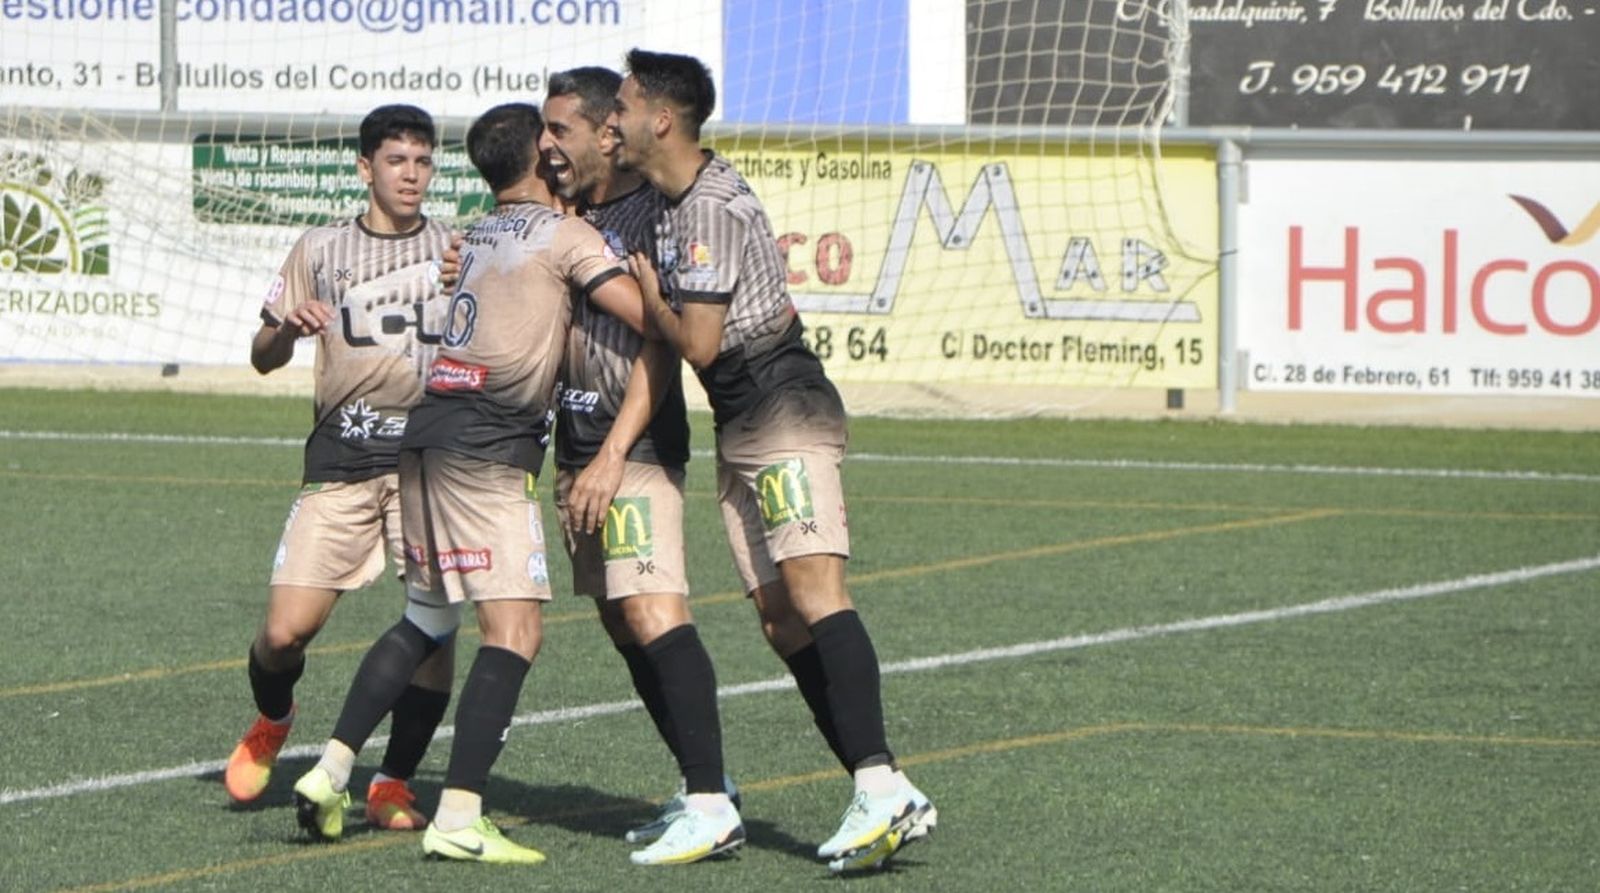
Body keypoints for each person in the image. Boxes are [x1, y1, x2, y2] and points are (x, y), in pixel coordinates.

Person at [290, 102, 657, 866]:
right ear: (540, 157)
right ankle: (459, 814)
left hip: (425, 434)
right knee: (514, 632)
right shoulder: (561, 235)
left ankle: (330, 770)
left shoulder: (475, 232)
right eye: (552, 140)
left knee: (427, 614)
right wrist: (671, 289)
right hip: (487, 448)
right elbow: (649, 317)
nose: (561, 149)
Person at [612, 49, 937, 873]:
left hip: (781, 401)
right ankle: (883, 785)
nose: (614, 119)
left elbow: (698, 342)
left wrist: (651, 298)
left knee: (817, 592)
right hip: (741, 416)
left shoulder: (711, 209)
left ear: (661, 119)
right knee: (779, 616)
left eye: (623, 105)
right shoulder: (670, 198)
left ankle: (880, 782)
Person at [226, 103, 454, 834]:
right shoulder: (321, 249)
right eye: (396, 160)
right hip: (341, 459)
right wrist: (288, 330)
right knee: (283, 635)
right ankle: (274, 718)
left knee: (434, 629)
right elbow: (262, 357)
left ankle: (392, 781)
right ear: (365, 168)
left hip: (427, 465)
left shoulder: (455, 248)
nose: (412, 174)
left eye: (423, 161)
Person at [538, 65, 741, 866]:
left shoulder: (652, 214)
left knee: (654, 611)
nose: (547, 144)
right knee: (623, 620)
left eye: (560, 129)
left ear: (604, 132)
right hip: (575, 446)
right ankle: (706, 785)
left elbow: (665, 340)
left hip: (633, 445)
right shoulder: (563, 215)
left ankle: (711, 803)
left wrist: (614, 455)